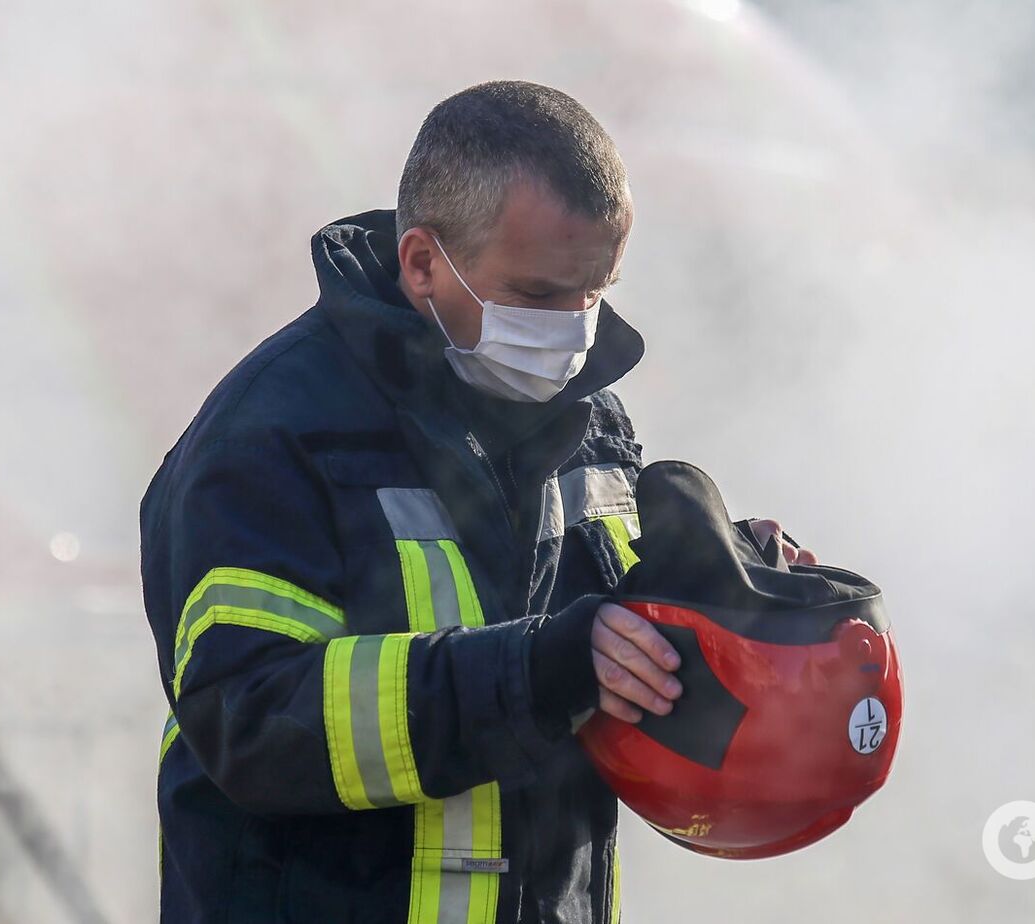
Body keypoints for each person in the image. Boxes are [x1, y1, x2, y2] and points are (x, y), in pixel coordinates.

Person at [140, 79, 816, 924]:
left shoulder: (593, 421)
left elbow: (609, 652)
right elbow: (253, 719)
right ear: (423, 262)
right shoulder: (270, 436)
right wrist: (539, 670)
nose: (572, 332)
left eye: (595, 291)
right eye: (538, 295)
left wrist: (720, 591)